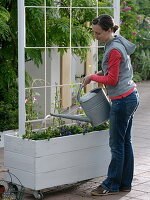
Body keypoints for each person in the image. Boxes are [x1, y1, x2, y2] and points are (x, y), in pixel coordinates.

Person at [82, 14, 139, 196]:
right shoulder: (117, 42)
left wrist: (92, 77)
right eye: (94, 33)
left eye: (98, 33)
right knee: (125, 142)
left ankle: (111, 185)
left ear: (108, 30)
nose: (95, 36)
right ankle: (124, 184)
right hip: (130, 96)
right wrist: (98, 72)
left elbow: (112, 80)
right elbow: (115, 70)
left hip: (122, 100)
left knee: (117, 145)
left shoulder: (113, 49)